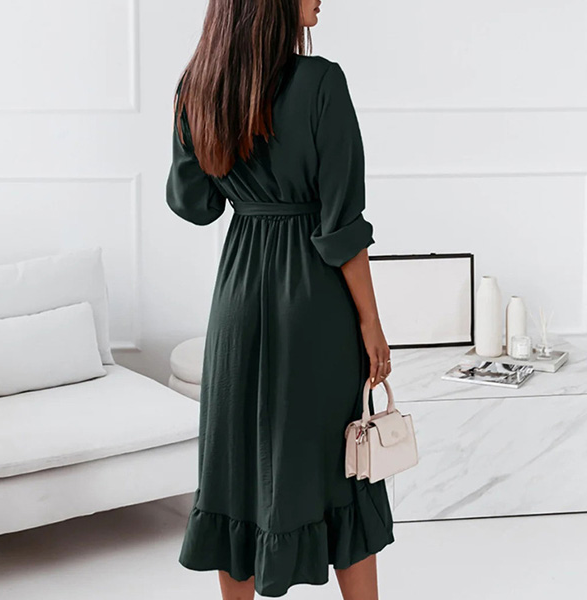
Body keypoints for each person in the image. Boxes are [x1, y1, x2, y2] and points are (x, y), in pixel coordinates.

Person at [165, 0, 394, 598]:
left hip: (238, 297)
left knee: (234, 473)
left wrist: (199, 117)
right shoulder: (321, 82)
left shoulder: (198, 87)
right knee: (342, 471)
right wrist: (371, 322)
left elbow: (195, 204)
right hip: (316, 302)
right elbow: (341, 225)